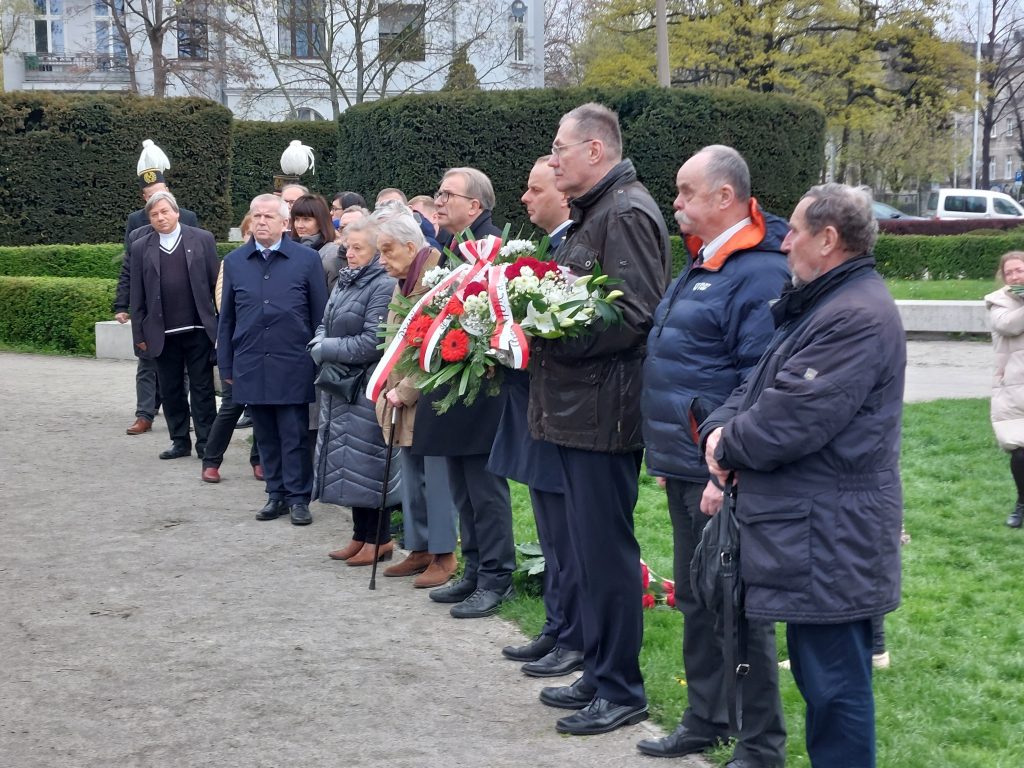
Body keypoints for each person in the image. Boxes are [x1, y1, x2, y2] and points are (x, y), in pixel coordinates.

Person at [702, 183, 905, 768]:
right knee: (825, 684)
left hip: (832, 531)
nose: (783, 242)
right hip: (815, 527)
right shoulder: (824, 303)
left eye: (793, 230)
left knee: (835, 692)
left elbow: (791, 419)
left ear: (829, 239)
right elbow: (757, 388)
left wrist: (727, 442)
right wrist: (718, 429)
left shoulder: (855, 314)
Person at [636, 146, 789, 767]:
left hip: (720, 471)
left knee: (737, 605)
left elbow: (757, 378)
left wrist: (725, 469)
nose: (674, 202)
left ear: (724, 197)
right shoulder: (705, 262)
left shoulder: (756, 273)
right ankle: (707, 717)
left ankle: (761, 741)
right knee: (698, 597)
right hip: (684, 461)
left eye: (684, 190)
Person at [528, 103, 671, 736]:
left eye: (560, 148)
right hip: (574, 409)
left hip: (603, 413)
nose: (552, 158)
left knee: (606, 554)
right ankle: (598, 668)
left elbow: (636, 315)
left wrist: (546, 330)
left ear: (596, 151)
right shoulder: (596, 213)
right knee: (584, 551)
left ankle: (622, 688)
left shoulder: (628, 212)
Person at [492, 156, 583, 678]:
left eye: (533, 189)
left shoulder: (577, 246)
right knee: (550, 529)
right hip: (538, 403)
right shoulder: (549, 247)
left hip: (565, 408)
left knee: (565, 532)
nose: (524, 198)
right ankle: (557, 623)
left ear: (563, 196)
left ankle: (570, 629)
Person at [416, 167, 515, 619]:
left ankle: (497, 577)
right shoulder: (457, 249)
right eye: (438, 193)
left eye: (447, 194)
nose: (439, 200)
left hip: (483, 389)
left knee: (484, 489)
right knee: (462, 488)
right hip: (455, 385)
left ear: (475, 206)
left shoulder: (494, 249)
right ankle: (474, 569)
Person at [218, 194, 328, 526]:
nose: (261, 221)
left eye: (269, 216)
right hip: (251, 359)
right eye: (256, 215)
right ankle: (275, 494)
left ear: (285, 223)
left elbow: (320, 314)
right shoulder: (236, 261)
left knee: (294, 433)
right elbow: (228, 319)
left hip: (293, 360)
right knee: (263, 433)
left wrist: (317, 358)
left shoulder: (306, 260)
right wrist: (226, 364)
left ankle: (298, 498)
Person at [371, 206, 460, 587]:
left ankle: (444, 553)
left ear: (411, 246)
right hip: (400, 397)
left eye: (387, 251)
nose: (382, 260)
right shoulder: (404, 279)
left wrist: (406, 389)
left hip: (430, 398)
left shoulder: (439, 279)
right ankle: (420, 547)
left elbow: (438, 345)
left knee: (436, 477)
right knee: (411, 473)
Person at [310, 215, 400, 565]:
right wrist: (320, 339)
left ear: (378, 251)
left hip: (365, 386)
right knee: (350, 464)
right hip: (342, 386)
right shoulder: (348, 280)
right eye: (347, 247)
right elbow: (326, 320)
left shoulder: (380, 285)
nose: (349, 253)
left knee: (368, 463)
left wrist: (324, 348)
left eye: (358, 248)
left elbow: (371, 342)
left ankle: (380, 538)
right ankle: (360, 536)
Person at [115, 141, 199, 436]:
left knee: (184, 367)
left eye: (161, 196)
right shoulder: (135, 223)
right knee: (148, 361)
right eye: (150, 198)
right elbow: (129, 268)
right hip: (151, 306)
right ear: (143, 198)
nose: (158, 206)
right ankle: (144, 414)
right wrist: (122, 305)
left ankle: (181, 414)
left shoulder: (188, 218)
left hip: (182, 308)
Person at [128, 191, 219, 461]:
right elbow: (137, 293)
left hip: (198, 330)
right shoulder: (140, 246)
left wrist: (221, 326)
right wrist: (139, 334)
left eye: (165, 212)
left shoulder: (202, 239)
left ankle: (207, 444)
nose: (160, 218)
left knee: (202, 389)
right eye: (154, 214)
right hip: (162, 332)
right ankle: (180, 441)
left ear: (177, 212)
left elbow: (217, 285)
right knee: (170, 390)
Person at [200, 214, 262, 484]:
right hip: (237, 346)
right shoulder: (233, 264)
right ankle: (211, 459)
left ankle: (259, 459)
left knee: (263, 406)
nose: (253, 238)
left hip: (267, 347)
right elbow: (224, 306)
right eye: (249, 234)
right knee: (232, 405)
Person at [986, 251, 1024, 528]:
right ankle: (1022, 504)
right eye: (1010, 272)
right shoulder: (997, 301)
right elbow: (1008, 325)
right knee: (1020, 451)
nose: (1015, 276)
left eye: (1019, 270)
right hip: (1013, 387)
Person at [290, 194, 344, 291]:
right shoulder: (289, 248)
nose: (299, 225)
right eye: (297, 219)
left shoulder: (332, 253)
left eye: (306, 219)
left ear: (320, 221)